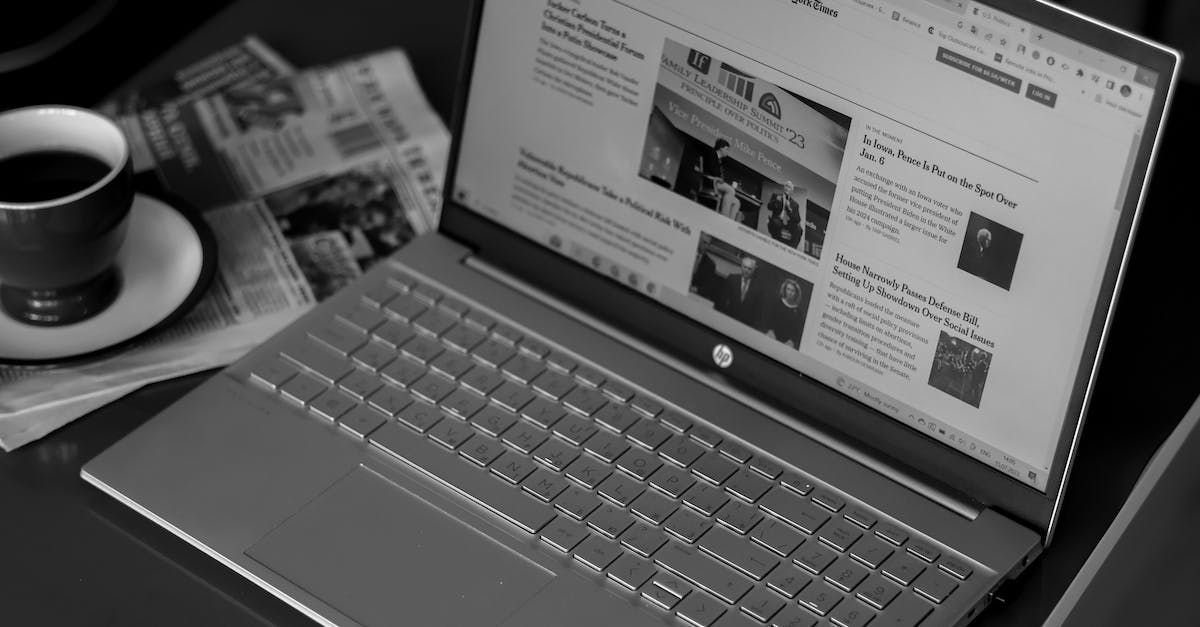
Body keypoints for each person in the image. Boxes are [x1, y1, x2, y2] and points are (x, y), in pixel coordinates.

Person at [714, 254, 767, 330]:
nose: (746, 271)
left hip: (745, 326)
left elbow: (757, 313)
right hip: (727, 319)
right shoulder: (732, 279)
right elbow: (721, 300)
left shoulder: (758, 288)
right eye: (745, 267)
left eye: (749, 269)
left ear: (753, 270)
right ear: (741, 267)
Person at [695, 138, 740, 219]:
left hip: (717, 183)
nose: (727, 152)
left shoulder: (719, 160)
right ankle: (723, 218)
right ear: (721, 148)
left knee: (737, 202)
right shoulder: (712, 154)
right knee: (731, 190)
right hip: (711, 183)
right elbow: (712, 171)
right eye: (727, 149)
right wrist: (718, 178)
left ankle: (729, 224)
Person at [765, 278, 805, 348]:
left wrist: (791, 341)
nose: (789, 293)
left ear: (796, 293)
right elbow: (768, 319)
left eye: (792, 291)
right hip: (771, 336)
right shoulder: (777, 303)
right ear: (785, 290)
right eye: (788, 289)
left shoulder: (798, 312)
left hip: (787, 344)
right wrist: (770, 331)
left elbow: (797, 332)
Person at [765, 181, 805, 247]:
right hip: (777, 220)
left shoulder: (795, 204)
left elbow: (797, 219)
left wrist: (789, 209)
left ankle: (792, 250)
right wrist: (776, 201)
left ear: (792, 191)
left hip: (789, 225)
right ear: (784, 187)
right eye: (786, 186)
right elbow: (769, 207)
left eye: (789, 187)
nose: (787, 188)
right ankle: (775, 245)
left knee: (799, 230)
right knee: (776, 223)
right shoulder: (776, 196)